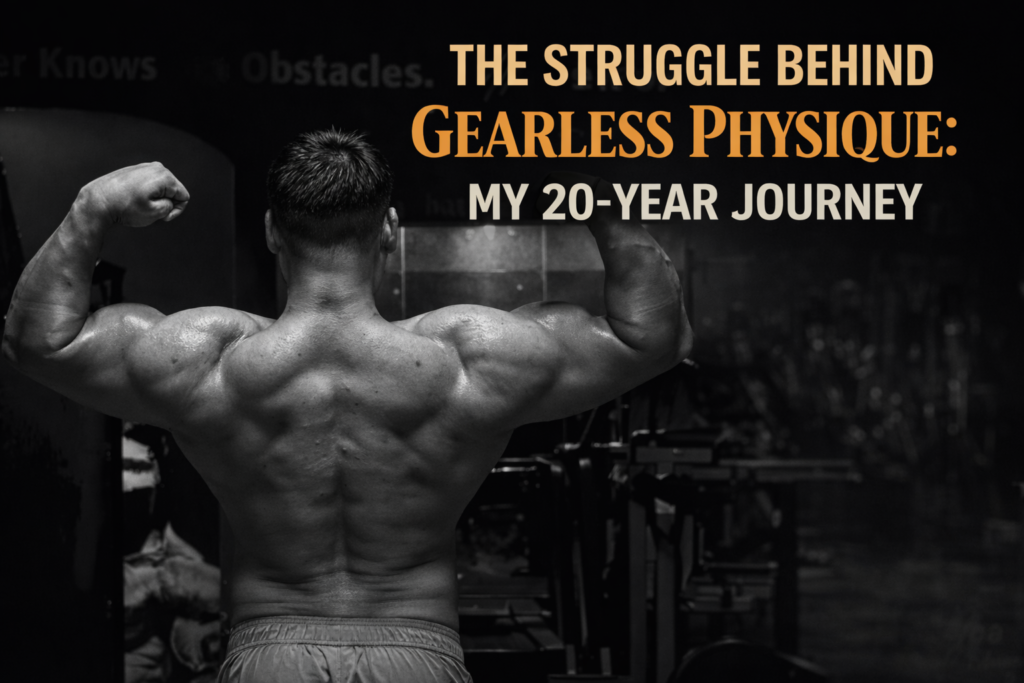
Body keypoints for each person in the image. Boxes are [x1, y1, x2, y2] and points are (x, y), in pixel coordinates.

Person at [3, 129, 692, 682]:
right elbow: (654, 337)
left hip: (268, 655)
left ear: (274, 231)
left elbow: (35, 341)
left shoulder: (205, 359)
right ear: (388, 228)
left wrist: (91, 207)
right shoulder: (471, 359)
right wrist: (602, 205)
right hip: (418, 655)